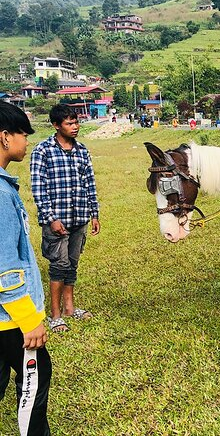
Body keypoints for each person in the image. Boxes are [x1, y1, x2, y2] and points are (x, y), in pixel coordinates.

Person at [0, 101, 52, 436]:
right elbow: (5, 265)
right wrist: (29, 319)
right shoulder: (1, 195)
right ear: (5, 137)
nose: (27, 141)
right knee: (35, 381)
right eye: (23, 133)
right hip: (10, 319)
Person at [30, 104, 100, 333]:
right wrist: (51, 218)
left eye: (76, 122)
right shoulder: (43, 151)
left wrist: (94, 214)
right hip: (56, 220)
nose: (75, 127)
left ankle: (69, 308)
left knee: (72, 264)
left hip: (79, 217)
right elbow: (39, 189)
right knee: (58, 265)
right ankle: (55, 314)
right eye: (69, 123)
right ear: (56, 125)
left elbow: (90, 183)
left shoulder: (82, 151)